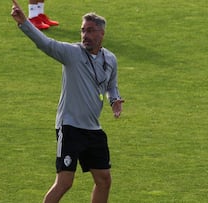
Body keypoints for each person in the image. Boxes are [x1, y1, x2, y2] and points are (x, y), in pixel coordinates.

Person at [11, 0, 124, 202]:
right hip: (70, 126)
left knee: (104, 179)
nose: (85, 35)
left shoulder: (110, 59)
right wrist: (24, 23)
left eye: (90, 31)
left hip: (93, 128)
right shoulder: (72, 53)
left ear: (101, 34)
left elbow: (111, 86)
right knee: (65, 182)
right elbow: (46, 44)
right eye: (83, 30)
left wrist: (114, 100)